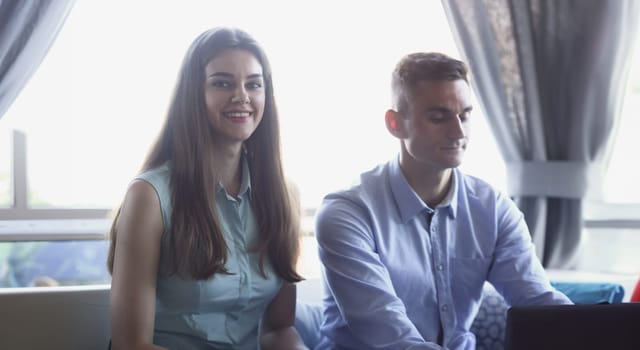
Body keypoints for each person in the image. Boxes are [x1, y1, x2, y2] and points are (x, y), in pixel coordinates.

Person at [314, 52, 572, 350]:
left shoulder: (493, 209)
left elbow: (538, 302)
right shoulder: (347, 214)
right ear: (395, 124)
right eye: (439, 117)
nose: (458, 132)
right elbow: (389, 335)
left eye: (465, 115)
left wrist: (594, 333)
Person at [107, 27, 308, 350]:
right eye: (222, 83)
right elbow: (130, 345)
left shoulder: (284, 195)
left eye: (253, 84)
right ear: (193, 94)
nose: (241, 95)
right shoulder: (149, 196)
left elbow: (278, 329)